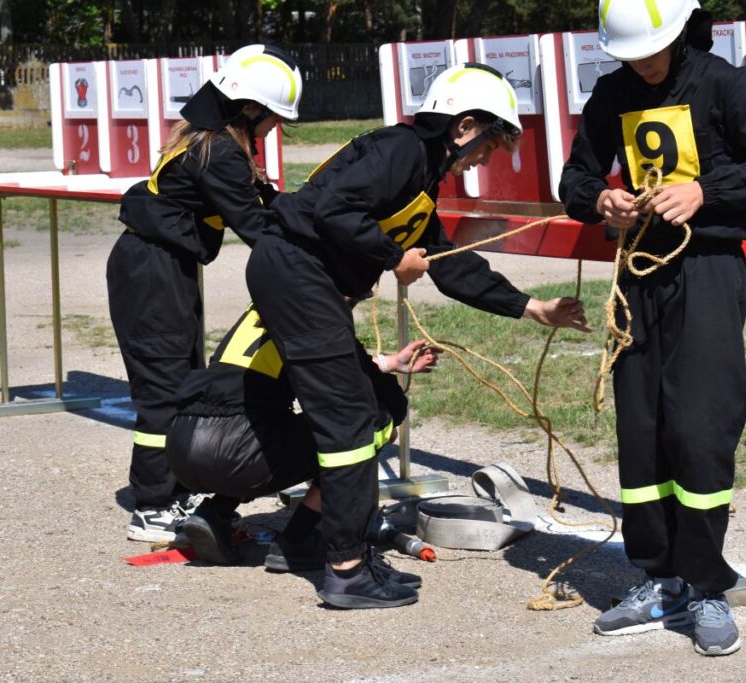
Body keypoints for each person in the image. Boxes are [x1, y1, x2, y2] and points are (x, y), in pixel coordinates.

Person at [245, 63, 592, 609]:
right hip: (295, 278)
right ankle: (346, 568)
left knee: (378, 403)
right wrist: (391, 257)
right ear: (464, 125)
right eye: (489, 145)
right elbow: (335, 209)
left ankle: (301, 544)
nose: (484, 160)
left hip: (304, 284)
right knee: (349, 425)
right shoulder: (401, 151)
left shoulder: (419, 178)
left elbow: (448, 265)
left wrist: (533, 308)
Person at [559, 0, 746, 656]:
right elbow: (575, 177)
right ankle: (659, 575)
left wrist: (705, 190)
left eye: (649, 48)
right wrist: (598, 198)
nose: (638, 62)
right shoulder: (612, 94)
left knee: (699, 425)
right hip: (639, 276)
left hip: (707, 271)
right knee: (642, 430)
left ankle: (706, 584)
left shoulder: (725, 83)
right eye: (627, 52)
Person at [107, 44, 303, 542]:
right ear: (250, 108)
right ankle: (152, 507)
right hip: (151, 270)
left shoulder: (210, 141)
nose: (273, 128)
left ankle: (172, 489)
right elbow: (257, 225)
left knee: (179, 379)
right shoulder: (217, 153)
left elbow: (267, 205)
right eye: (273, 117)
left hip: (163, 265)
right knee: (162, 388)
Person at [163, 304, 438, 598]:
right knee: (361, 428)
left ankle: (215, 513)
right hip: (236, 452)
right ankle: (297, 540)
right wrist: (387, 417)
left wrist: (390, 362)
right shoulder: (314, 309)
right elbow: (337, 385)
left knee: (266, 426)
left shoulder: (268, 303)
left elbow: (306, 361)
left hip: (182, 444)